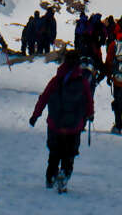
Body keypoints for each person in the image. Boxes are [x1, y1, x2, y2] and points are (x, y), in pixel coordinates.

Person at [30, 49, 99, 190]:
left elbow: (44, 98)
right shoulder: (83, 81)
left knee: (54, 153)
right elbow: (88, 100)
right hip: (74, 126)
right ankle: (64, 175)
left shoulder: (56, 80)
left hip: (55, 125)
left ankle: (50, 179)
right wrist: (90, 115)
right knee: (69, 155)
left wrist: (35, 115)